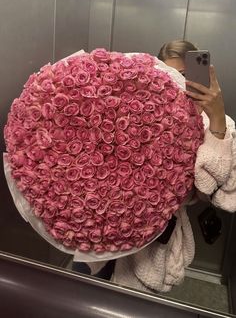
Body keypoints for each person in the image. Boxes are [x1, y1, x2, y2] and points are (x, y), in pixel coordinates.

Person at [73, 40, 236, 292]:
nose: (179, 83)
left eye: (185, 75)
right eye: (169, 74)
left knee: (128, 304)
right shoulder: (136, 106)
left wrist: (215, 116)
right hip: (100, 223)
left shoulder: (216, 122)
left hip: (150, 235)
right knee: (83, 293)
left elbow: (209, 193)